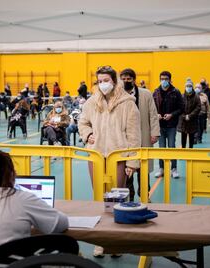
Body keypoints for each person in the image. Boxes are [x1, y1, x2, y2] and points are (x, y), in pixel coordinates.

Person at [78, 66, 140, 258]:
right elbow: (83, 122)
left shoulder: (128, 103)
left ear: (114, 81)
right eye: (99, 81)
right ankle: (100, 242)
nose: (103, 84)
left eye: (106, 80)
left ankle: (115, 242)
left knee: (115, 200)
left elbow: (134, 134)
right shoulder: (91, 102)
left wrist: (132, 162)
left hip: (118, 157)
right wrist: (87, 134)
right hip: (96, 156)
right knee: (99, 198)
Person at [120, 68, 160, 202]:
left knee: (143, 170)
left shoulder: (146, 94)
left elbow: (153, 114)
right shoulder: (118, 95)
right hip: (125, 140)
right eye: (123, 79)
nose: (126, 81)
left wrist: (154, 133)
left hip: (143, 136)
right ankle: (129, 197)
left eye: (128, 79)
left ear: (134, 80)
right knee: (128, 170)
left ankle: (144, 195)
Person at [153, 71, 183, 179]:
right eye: (162, 79)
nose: (164, 81)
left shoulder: (176, 92)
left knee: (171, 147)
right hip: (160, 126)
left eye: (166, 79)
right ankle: (161, 169)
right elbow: (152, 108)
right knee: (161, 148)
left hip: (171, 125)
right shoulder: (156, 92)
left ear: (170, 80)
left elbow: (181, 108)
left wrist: (172, 115)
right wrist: (156, 115)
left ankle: (173, 169)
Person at [177, 81, 200, 148]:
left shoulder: (196, 97)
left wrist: (190, 116)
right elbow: (179, 107)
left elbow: (198, 107)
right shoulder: (181, 96)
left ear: (192, 87)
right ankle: (183, 151)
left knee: (191, 138)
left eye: (190, 86)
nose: (188, 87)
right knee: (183, 138)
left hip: (192, 121)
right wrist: (184, 116)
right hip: (183, 121)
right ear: (185, 87)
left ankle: (191, 152)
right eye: (187, 86)